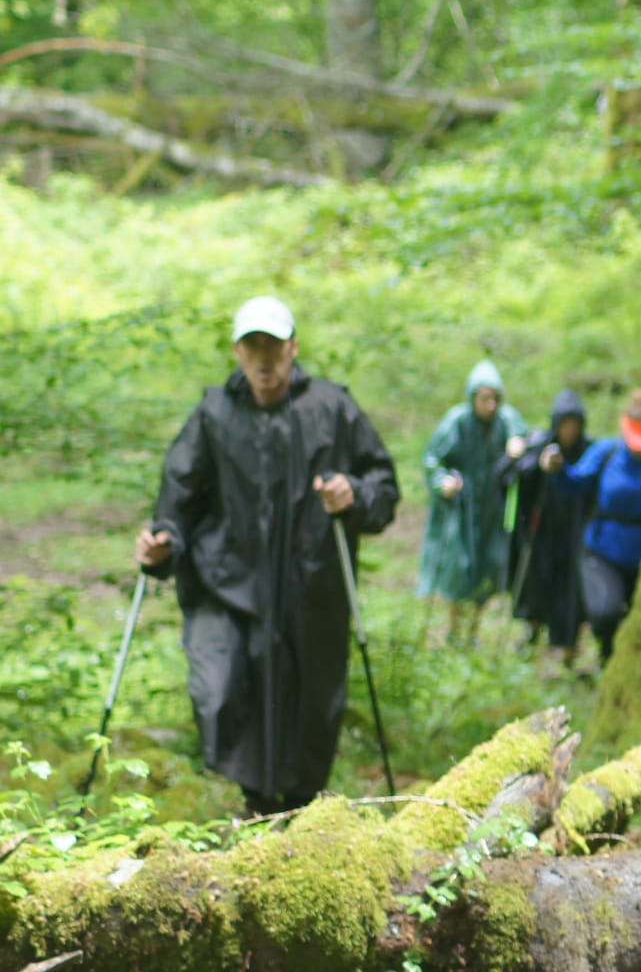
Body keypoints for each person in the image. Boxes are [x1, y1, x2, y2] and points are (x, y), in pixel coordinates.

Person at [135, 296, 400, 816]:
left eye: (273, 347)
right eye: (252, 346)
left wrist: (354, 495)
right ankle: (251, 805)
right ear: (237, 351)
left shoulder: (331, 407)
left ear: (293, 349)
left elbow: (383, 487)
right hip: (226, 583)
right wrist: (161, 542)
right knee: (222, 689)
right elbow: (178, 498)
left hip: (311, 584)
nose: (263, 359)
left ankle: (299, 812)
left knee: (311, 701)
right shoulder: (213, 414)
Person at [541, 387, 641, 664]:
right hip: (604, 552)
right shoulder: (606, 454)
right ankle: (607, 658)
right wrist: (557, 469)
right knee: (605, 612)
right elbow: (575, 482)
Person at [417, 359, 528, 642]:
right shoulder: (457, 422)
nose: (490, 405)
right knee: (458, 567)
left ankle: (474, 630)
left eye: (495, 398)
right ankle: (454, 628)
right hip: (462, 508)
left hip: (492, 508)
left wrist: (518, 446)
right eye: (484, 398)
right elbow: (432, 460)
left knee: (488, 565)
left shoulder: (505, 420)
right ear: (473, 398)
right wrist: (443, 482)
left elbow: (523, 437)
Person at [501, 389, 595, 659]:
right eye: (565, 425)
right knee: (537, 587)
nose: (569, 431)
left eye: (574, 425)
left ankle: (568, 649)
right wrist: (536, 466)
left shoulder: (588, 450)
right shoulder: (541, 445)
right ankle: (532, 634)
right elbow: (509, 476)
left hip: (574, 535)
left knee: (571, 594)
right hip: (542, 535)